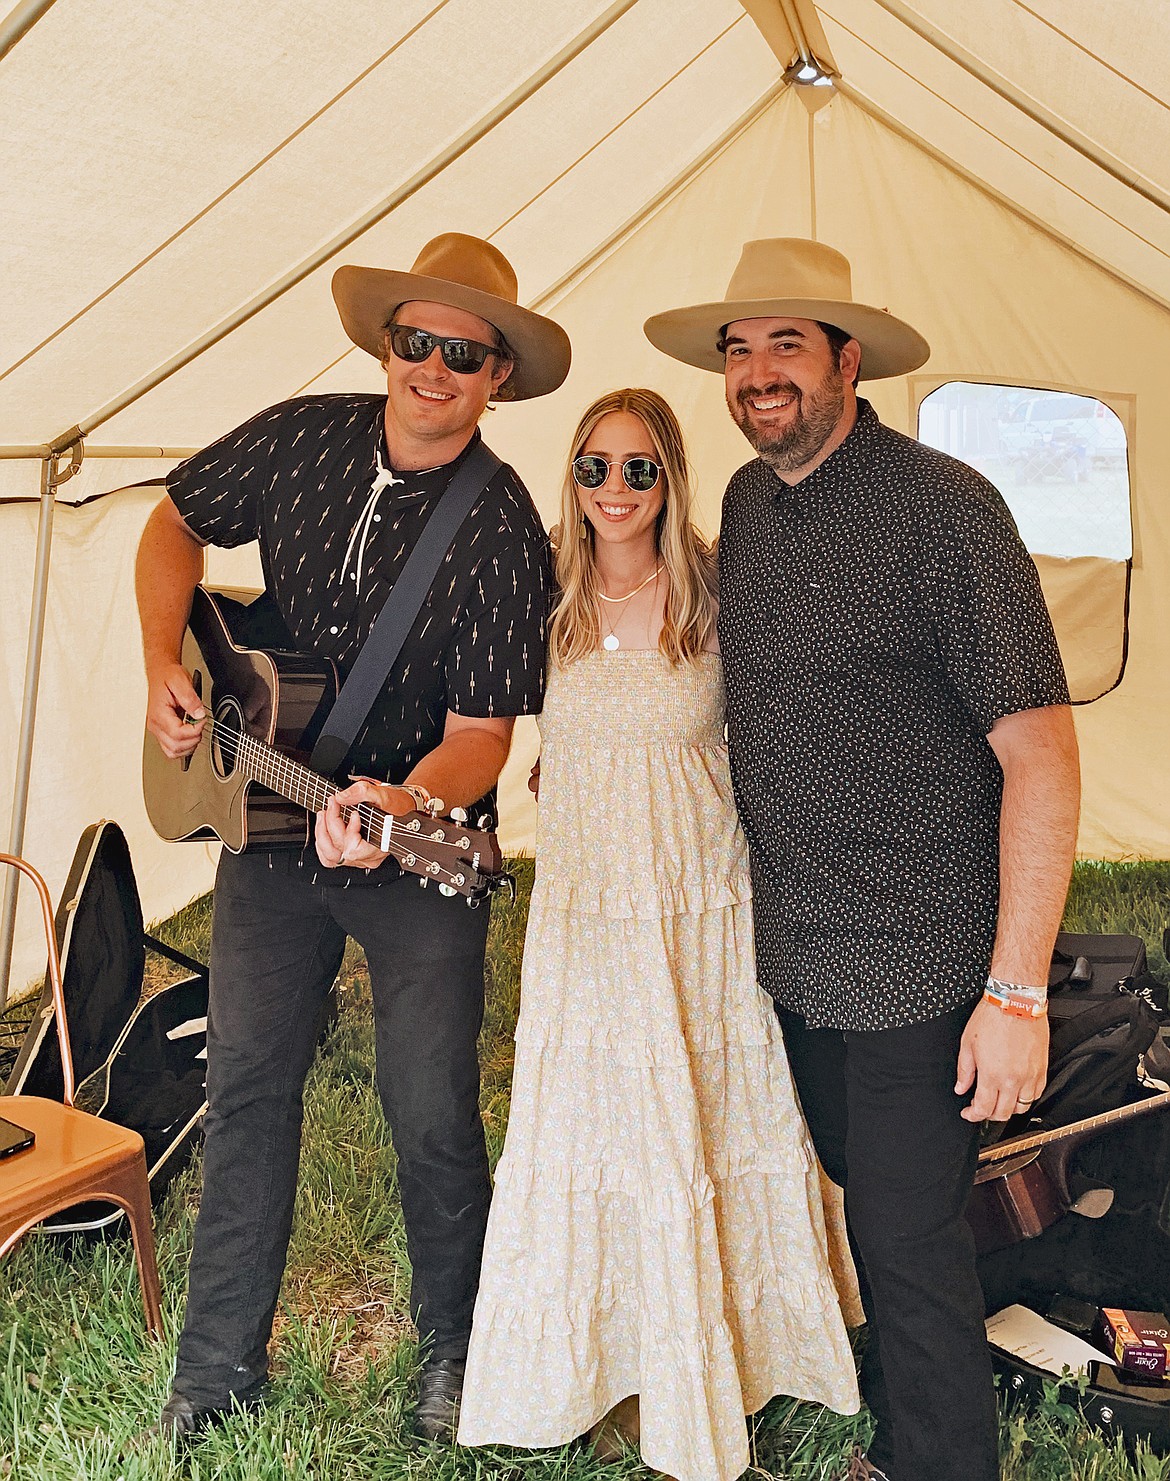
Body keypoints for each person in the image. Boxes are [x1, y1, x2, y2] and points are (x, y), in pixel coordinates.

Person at [644, 238, 1081, 1481]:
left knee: (905, 1244)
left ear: (849, 360)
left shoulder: (948, 509)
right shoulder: (743, 504)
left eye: (788, 343)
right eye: (739, 349)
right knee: (877, 1214)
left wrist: (1017, 990)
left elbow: (1043, 758)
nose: (758, 372)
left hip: (926, 955)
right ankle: (903, 1438)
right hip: (800, 954)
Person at [134, 233, 570, 1443]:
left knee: (429, 1101)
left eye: (464, 353)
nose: (434, 367)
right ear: (387, 345)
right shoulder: (298, 436)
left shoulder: (503, 527)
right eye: (415, 340)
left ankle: (458, 1347)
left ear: (496, 378)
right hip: (267, 830)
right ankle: (216, 1367)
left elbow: (483, 734)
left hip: (417, 846)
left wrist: (403, 808)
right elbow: (174, 520)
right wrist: (165, 656)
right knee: (247, 1088)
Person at [457, 388, 859, 1481]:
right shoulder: (540, 585)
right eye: (596, 467)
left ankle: (727, 1352)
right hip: (589, 906)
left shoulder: (723, 581)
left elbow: (795, 709)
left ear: (671, 476)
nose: (617, 491)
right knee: (593, 1130)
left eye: (640, 469)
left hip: (698, 900)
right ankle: (598, 1356)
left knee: (704, 1119)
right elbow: (489, 720)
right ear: (571, 476)